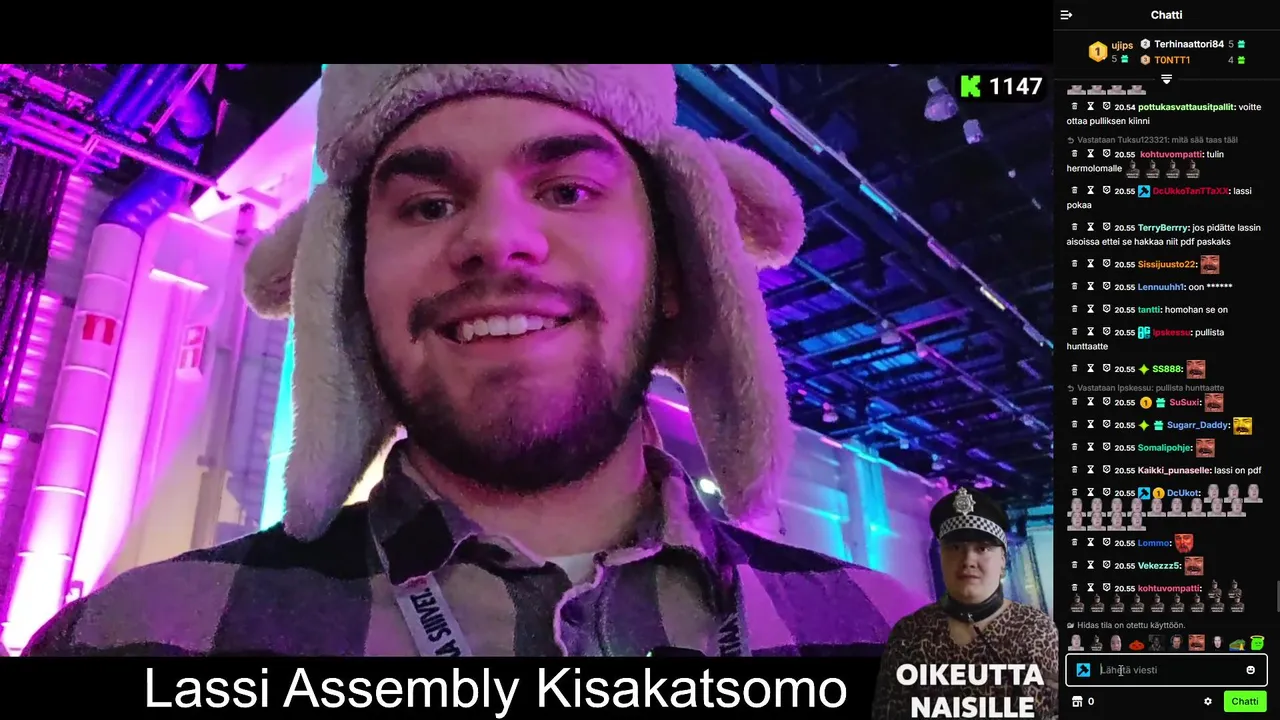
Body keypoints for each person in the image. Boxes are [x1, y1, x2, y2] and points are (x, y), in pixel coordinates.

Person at [23, 64, 918, 657]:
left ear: (679, 263)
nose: (495, 238)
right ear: (346, 280)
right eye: (427, 204)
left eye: (568, 189)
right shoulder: (131, 640)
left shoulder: (894, 641)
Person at [872, 488, 1058, 719]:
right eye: (955, 548)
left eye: (982, 548)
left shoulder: (1036, 629)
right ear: (941, 556)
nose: (968, 560)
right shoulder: (910, 633)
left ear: (1002, 560)